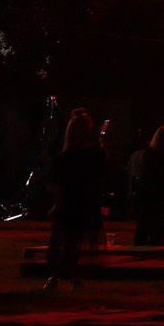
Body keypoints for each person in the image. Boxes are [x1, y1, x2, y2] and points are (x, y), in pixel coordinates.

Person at [44, 111, 105, 288]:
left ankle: (63, 275)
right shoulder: (92, 155)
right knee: (74, 241)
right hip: (84, 202)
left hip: (72, 202)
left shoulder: (66, 157)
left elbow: (59, 184)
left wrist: (56, 204)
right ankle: (66, 275)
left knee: (69, 240)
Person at [130, 125, 164, 248]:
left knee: (143, 222)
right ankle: (156, 247)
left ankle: (138, 247)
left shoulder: (149, 153)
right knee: (159, 223)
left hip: (147, 190)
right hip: (162, 193)